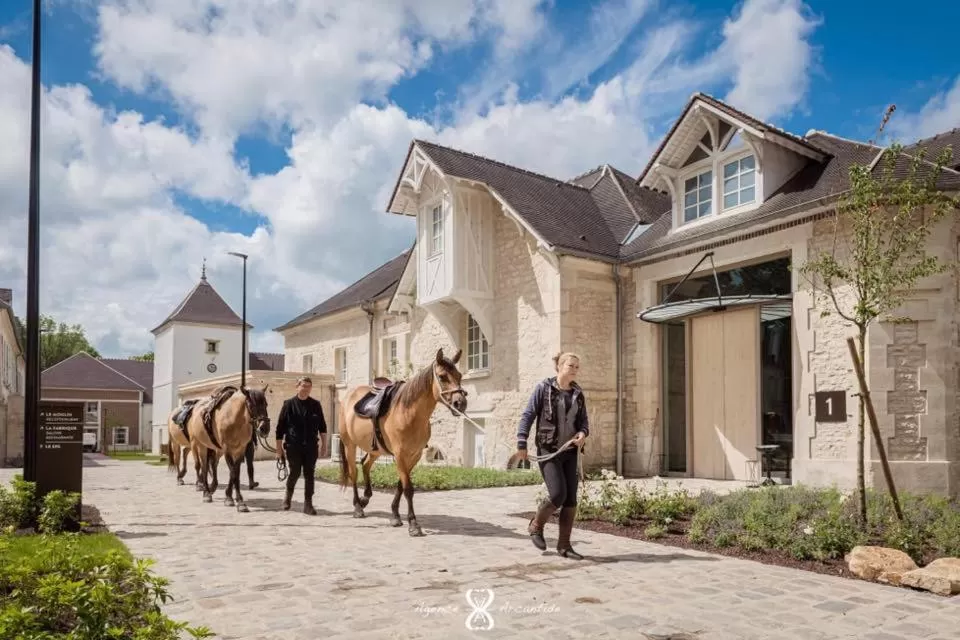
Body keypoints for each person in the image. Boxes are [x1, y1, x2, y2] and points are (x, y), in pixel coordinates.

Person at [516, 352, 589, 560]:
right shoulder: (544, 388)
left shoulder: (578, 393)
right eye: (570, 365)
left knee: (571, 500)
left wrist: (583, 433)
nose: (574, 369)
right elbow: (528, 415)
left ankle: (564, 546)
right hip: (549, 451)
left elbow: (584, 422)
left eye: (577, 366)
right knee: (558, 494)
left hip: (570, 452)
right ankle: (536, 526)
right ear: (559, 366)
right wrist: (522, 441)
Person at [275, 376, 328, 515]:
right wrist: (278, 449)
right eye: (303, 386)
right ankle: (288, 496)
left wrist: (324, 445)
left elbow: (322, 426)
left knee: (309, 474)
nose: (306, 389)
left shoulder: (316, 405)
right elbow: (280, 429)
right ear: (297, 387)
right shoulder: (288, 404)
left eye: (308, 386)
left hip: (311, 446)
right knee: (295, 472)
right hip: (293, 446)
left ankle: (308, 504)